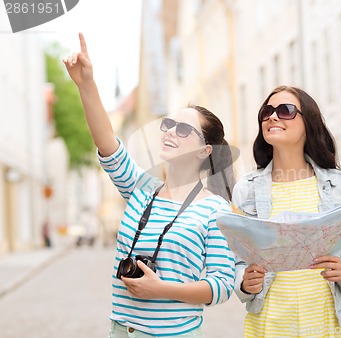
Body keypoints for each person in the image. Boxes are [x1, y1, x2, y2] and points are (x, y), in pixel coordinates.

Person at [64, 33, 236, 338]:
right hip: (120, 331)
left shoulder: (215, 209)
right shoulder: (141, 189)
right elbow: (109, 145)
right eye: (168, 124)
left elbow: (222, 286)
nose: (170, 132)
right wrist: (85, 84)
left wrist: (160, 289)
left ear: (204, 150)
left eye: (183, 130)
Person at [232, 85, 341, 337]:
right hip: (270, 326)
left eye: (286, 110)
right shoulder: (245, 190)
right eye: (267, 111)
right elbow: (238, 263)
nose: (272, 117)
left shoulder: (338, 184)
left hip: (330, 323)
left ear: (308, 123)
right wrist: (245, 283)